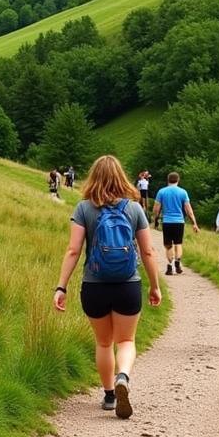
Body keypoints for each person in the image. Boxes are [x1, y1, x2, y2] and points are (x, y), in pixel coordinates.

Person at [53, 155, 162, 418]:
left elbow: (73, 250)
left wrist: (61, 287)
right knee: (126, 340)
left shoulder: (83, 209)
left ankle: (110, 395)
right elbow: (147, 252)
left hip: (94, 285)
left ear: (93, 177)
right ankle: (123, 376)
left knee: (104, 343)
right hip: (127, 285)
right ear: (121, 177)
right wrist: (155, 286)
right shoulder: (135, 209)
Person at [151, 172, 198, 275]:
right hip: (179, 221)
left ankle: (169, 266)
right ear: (178, 180)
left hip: (167, 222)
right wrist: (194, 222)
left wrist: (155, 220)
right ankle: (177, 263)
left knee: (168, 245)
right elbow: (188, 209)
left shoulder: (161, 192)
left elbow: (156, 209)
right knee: (178, 243)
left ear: (168, 180)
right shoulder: (183, 192)